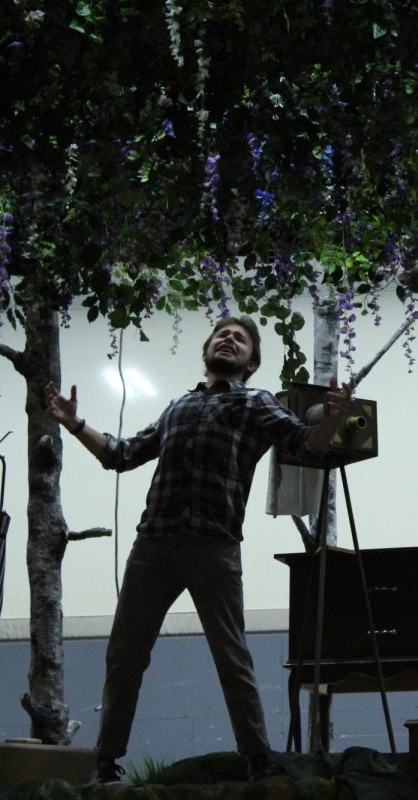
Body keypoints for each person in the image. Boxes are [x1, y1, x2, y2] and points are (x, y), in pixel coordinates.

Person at [46, 315, 354, 783]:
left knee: (232, 656)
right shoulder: (178, 407)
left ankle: (257, 759)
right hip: (153, 544)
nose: (229, 339)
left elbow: (302, 444)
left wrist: (331, 419)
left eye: (241, 339)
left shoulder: (256, 403)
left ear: (251, 362)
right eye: (222, 334)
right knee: (125, 655)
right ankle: (105, 761)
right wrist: (75, 424)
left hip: (214, 547)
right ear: (207, 349)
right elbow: (122, 453)